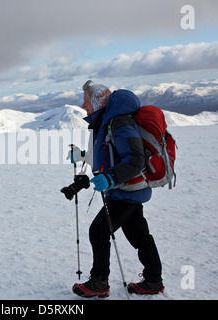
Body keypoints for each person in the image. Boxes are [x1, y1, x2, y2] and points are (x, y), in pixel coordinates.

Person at [70, 80, 164, 297]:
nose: (83, 106)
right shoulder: (108, 120)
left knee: (99, 232)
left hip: (126, 190)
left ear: (98, 100)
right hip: (126, 189)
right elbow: (109, 154)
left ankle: (99, 283)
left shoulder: (120, 122)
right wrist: (83, 155)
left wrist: (110, 179)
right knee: (139, 235)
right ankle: (153, 280)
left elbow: (135, 160)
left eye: (86, 101)